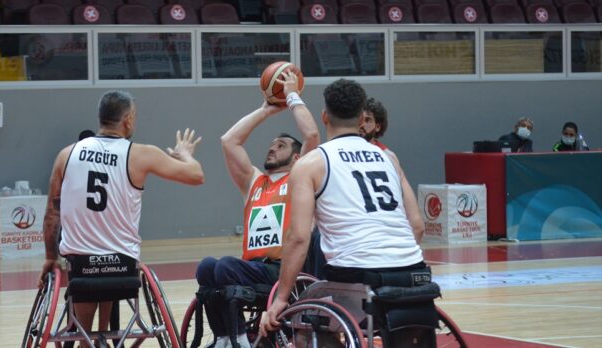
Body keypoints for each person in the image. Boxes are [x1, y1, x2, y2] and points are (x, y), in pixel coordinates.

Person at [261, 79, 427, 336]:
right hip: (413, 271)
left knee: (305, 322)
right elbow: (417, 225)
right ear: (362, 118)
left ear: (324, 116)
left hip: (356, 275)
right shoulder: (389, 158)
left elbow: (299, 238)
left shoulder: (310, 164)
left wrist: (282, 298)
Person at [38, 90, 205, 345]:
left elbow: (52, 213)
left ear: (100, 118)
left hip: (81, 265)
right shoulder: (141, 154)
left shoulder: (66, 154)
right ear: (128, 119)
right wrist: (184, 153)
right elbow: (196, 176)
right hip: (123, 265)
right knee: (109, 260)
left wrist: (50, 257)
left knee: (88, 279)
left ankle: (86, 339)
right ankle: (101, 337)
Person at [196, 71, 319, 348]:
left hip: (282, 271)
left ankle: (238, 337)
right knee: (206, 267)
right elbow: (229, 141)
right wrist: (265, 110)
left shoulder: (301, 175)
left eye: (281, 145)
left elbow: (311, 133)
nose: (272, 149)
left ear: (297, 156)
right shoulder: (254, 181)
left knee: (226, 266)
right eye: (272, 144)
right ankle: (227, 338)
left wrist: (291, 95)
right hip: (251, 269)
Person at [359, 98, 424, 244]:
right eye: (360, 119)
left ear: (378, 126)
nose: (362, 124)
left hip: (383, 225)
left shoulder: (388, 156)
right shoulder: (344, 151)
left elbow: (417, 225)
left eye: (368, 120)